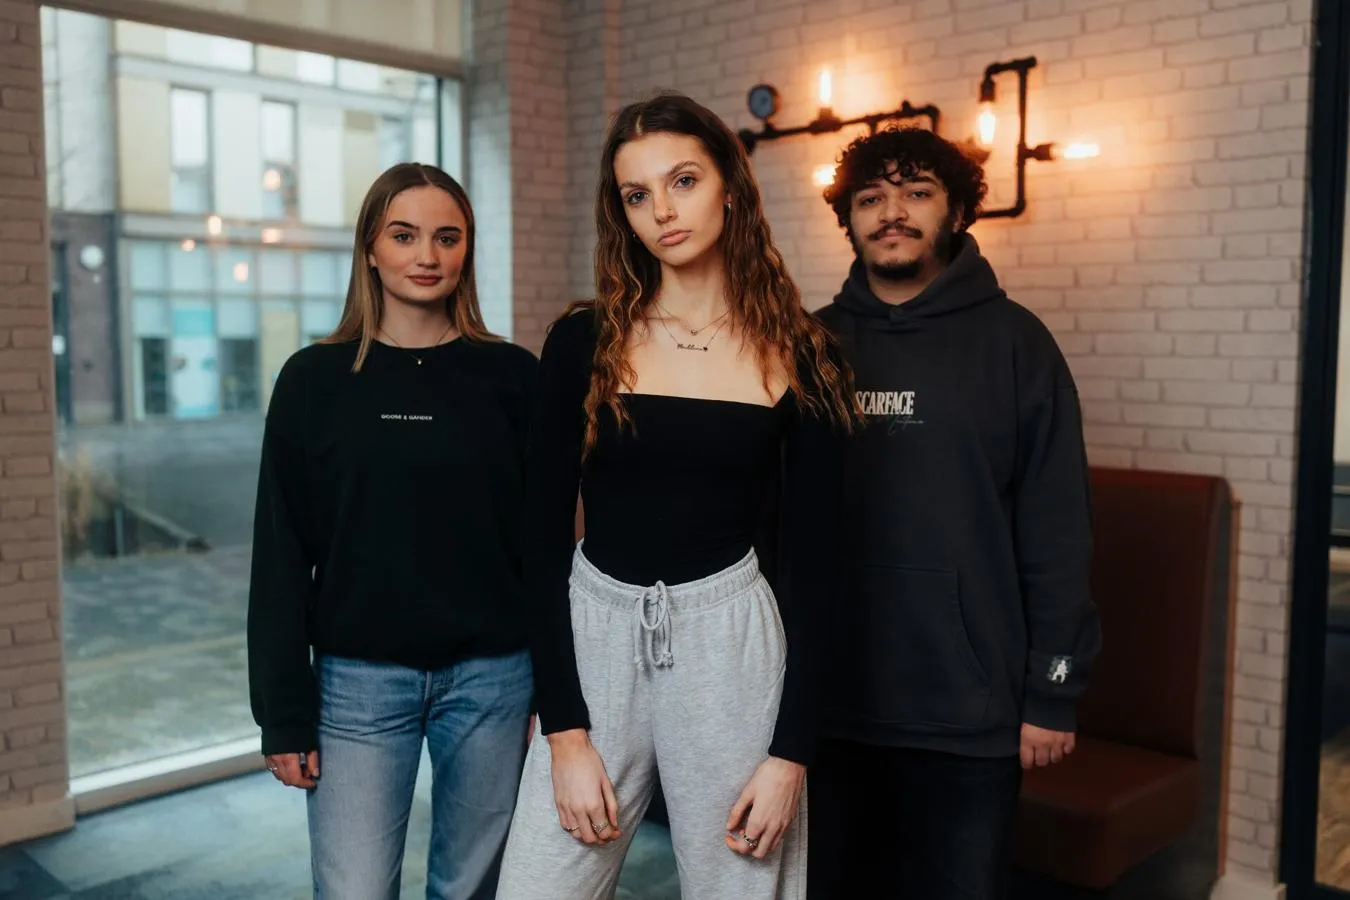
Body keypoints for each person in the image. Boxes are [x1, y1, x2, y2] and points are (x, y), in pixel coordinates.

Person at [495, 92, 857, 900]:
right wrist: (564, 733)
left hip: (730, 640)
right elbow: (541, 539)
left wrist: (789, 754)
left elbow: (820, 568)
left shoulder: (805, 356)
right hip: (596, 627)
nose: (662, 210)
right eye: (636, 194)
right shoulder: (583, 340)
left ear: (730, 183)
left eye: (683, 180)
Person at [807, 127, 1103, 899]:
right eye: (870, 198)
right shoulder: (808, 345)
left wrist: (1053, 692)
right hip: (825, 705)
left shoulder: (1017, 344)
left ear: (958, 210)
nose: (891, 213)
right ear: (848, 219)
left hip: (968, 715)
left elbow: (1058, 528)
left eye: (916, 193)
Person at [247, 162, 538, 900]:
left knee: (471, 890)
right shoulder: (313, 379)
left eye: (448, 237)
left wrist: (555, 692)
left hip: (495, 680)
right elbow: (280, 555)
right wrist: (282, 714)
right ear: (370, 248)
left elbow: (542, 544)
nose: (427, 256)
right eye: (404, 235)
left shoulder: (512, 376)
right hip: (356, 686)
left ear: (467, 249)